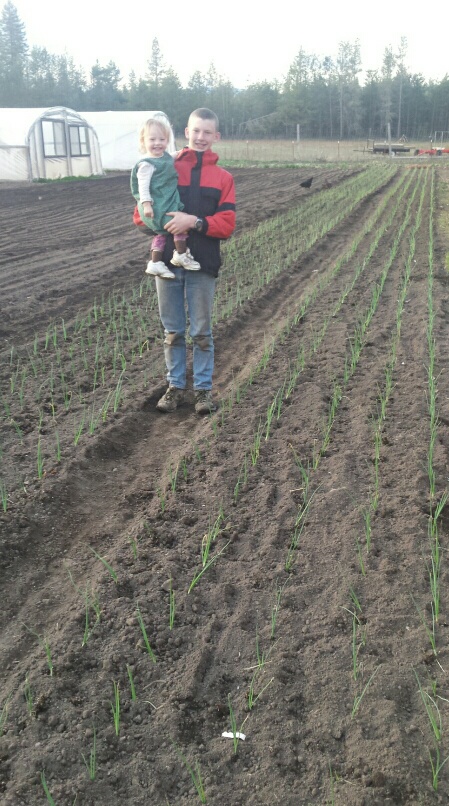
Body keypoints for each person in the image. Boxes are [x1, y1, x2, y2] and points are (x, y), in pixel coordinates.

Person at [133, 108, 236, 415]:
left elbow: (227, 223)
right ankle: (176, 387)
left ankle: (203, 392)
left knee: (202, 332)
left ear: (216, 137)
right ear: (186, 132)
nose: (201, 137)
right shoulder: (164, 166)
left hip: (202, 263)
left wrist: (193, 221)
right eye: (196, 131)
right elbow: (140, 215)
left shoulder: (223, 178)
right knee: (173, 331)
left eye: (208, 132)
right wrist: (164, 223)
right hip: (166, 263)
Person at [130, 115, 201, 279]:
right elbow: (142, 187)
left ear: (167, 140)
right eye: (152, 139)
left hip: (164, 203)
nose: (157, 143)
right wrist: (146, 204)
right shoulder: (146, 164)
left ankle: (155, 263)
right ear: (143, 141)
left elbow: (172, 157)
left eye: (162, 139)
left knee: (161, 234)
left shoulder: (164, 157)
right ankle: (181, 254)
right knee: (179, 225)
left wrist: (184, 151)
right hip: (156, 206)